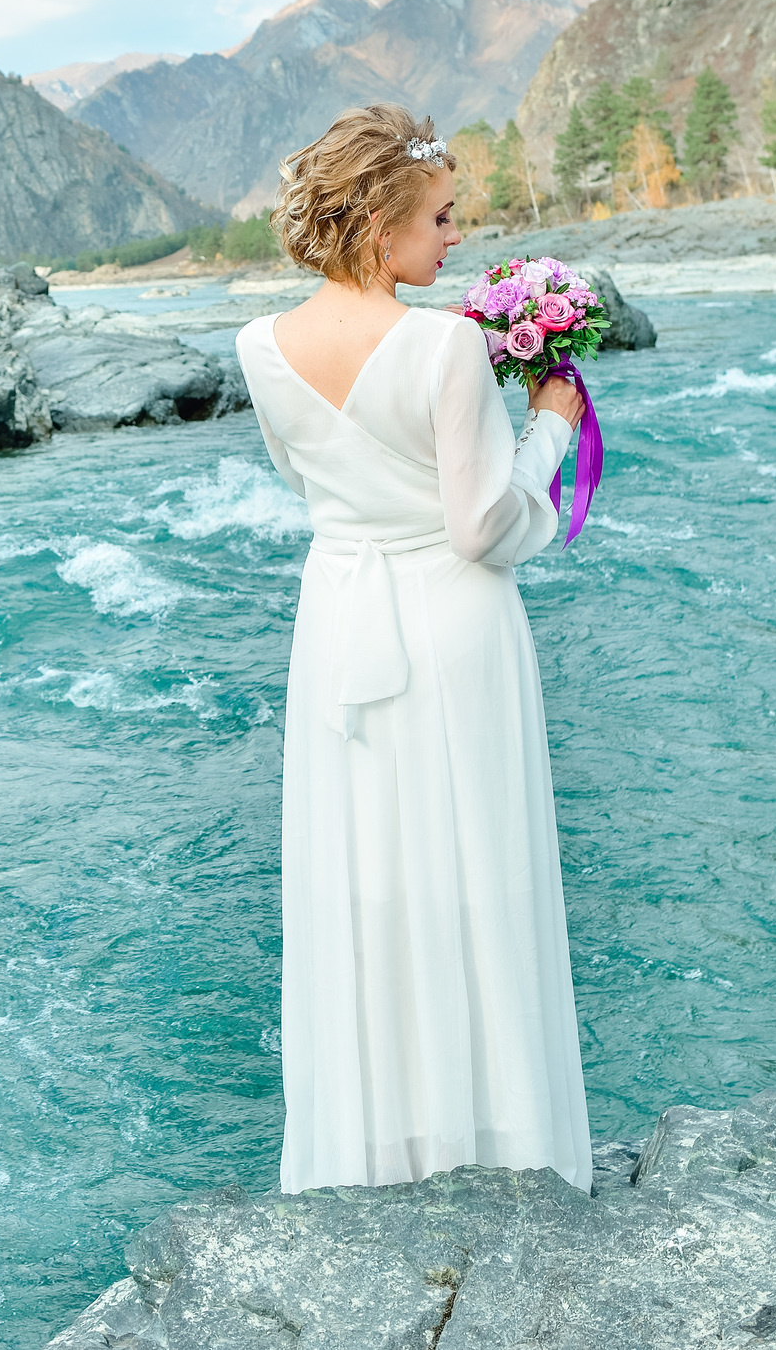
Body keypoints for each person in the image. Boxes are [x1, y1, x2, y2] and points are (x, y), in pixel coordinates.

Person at [235, 102, 593, 1194]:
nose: (455, 236)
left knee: (365, 880)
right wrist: (551, 425)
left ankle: (378, 1150)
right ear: (378, 223)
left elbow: (310, 481)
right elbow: (479, 525)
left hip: (339, 619)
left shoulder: (258, 347)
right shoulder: (445, 344)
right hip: (451, 621)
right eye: (439, 216)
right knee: (478, 872)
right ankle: (503, 1145)